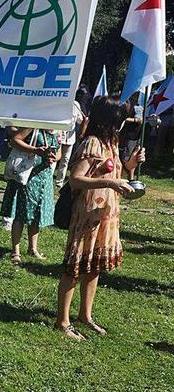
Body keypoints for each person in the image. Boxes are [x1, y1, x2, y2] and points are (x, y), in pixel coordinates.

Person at [55, 96, 144, 341]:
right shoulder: (92, 143)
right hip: (87, 214)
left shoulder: (111, 143)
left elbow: (118, 173)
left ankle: (86, 315)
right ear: (110, 119)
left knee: (94, 267)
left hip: (106, 214)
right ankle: (62, 321)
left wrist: (130, 165)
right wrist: (110, 181)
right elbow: (75, 179)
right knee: (74, 268)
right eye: (121, 117)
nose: (124, 121)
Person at [1, 127, 60, 264]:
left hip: (44, 175)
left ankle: (32, 248)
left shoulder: (59, 129)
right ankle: (15, 251)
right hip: (27, 173)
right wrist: (35, 150)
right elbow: (15, 140)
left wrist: (54, 157)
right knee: (21, 212)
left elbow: (60, 151)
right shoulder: (34, 124)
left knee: (37, 212)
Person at [55, 100, 87, 188]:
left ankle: (59, 181)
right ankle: (49, 177)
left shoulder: (76, 104)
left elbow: (79, 121)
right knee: (54, 158)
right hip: (58, 135)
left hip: (69, 137)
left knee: (65, 160)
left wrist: (84, 120)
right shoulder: (60, 102)